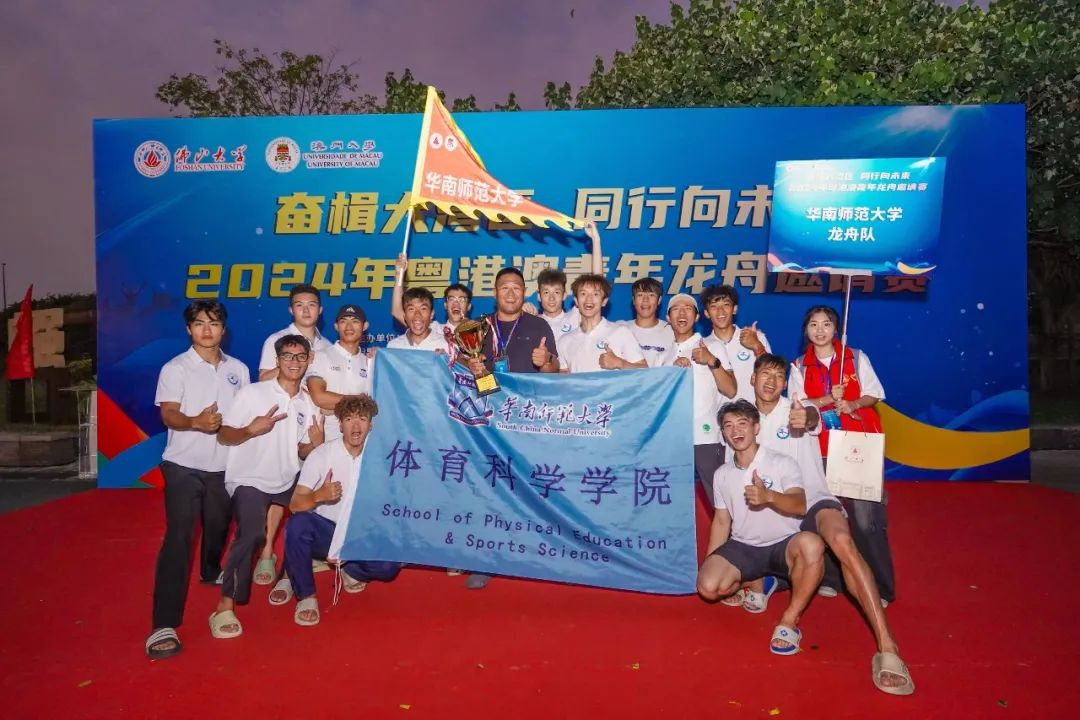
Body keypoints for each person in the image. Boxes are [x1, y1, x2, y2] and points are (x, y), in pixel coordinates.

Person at [749, 353, 914, 694]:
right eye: (764, 374)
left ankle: (888, 647)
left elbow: (810, 418)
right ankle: (785, 608)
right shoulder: (744, 420)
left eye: (778, 376)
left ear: (786, 383)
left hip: (814, 500)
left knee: (842, 542)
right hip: (775, 510)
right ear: (752, 379)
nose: (771, 381)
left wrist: (807, 415)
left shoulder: (800, 409)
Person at [145, 300, 250, 660]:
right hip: (183, 466)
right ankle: (163, 623)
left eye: (214, 323)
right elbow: (169, 414)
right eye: (200, 323)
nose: (207, 330)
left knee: (219, 526)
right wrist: (195, 422)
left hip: (224, 467)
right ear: (188, 329)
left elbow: (241, 419)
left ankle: (210, 570)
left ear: (224, 329)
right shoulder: (175, 368)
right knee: (179, 538)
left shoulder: (239, 369)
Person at [209, 335, 321, 639]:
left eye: (300, 356)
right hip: (250, 477)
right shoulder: (252, 393)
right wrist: (250, 429)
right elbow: (225, 435)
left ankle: (289, 577)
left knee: (312, 517)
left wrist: (314, 445)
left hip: (286, 477)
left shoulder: (307, 403)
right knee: (252, 533)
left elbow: (300, 451)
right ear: (277, 360)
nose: (294, 362)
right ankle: (224, 606)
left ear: (309, 361)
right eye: (288, 356)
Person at [787, 305, 898, 606]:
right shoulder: (799, 365)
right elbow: (798, 404)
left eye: (826, 324)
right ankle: (831, 579)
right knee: (828, 515)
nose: (820, 330)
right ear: (805, 330)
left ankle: (880, 586)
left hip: (857, 445)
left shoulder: (856, 357)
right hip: (820, 448)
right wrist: (826, 398)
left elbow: (875, 393)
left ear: (836, 329)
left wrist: (852, 403)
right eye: (813, 324)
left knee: (866, 520)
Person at [697, 400, 825, 655]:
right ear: (723, 433)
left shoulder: (782, 462)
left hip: (783, 544)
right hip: (745, 546)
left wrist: (769, 497)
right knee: (709, 588)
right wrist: (711, 561)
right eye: (728, 426)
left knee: (812, 544)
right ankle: (758, 581)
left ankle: (789, 621)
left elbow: (800, 505)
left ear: (756, 428)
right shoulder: (722, 473)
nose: (735, 431)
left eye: (742, 423)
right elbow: (721, 521)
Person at [459, 266, 559, 588]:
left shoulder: (538, 325)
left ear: (524, 292)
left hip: (529, 422)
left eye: (517, 287)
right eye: (505, 287)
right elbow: (467, 376)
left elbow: (554, 372)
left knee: (532, 490)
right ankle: (486, 558)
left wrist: (546, 361)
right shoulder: (476, 328)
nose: (511, 292)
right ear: (495, 292)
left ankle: (535, 554)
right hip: (490, 423)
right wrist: (475, 369)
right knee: (491, 491)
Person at [284, 394, 402, 626]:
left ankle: (352, 571)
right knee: (298, 524)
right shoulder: (322, 454)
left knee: (388, 567)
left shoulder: (383, 459)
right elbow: (295, 504)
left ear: (371, 425)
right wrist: (319, 495)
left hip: (360, 534)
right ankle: (306, 596)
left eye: (362, 419)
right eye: (349, 419)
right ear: (340, 425)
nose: (356, 426)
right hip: (327, 532)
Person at [254, 284, 333, 588]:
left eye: (311, 304)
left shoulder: (326, 345)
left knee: (309, 487)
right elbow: (263, 377)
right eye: (300, 305)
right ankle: (266, 552)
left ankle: (302, 555)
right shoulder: (276, 340)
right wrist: (296, 362)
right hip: (283, 421)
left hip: (314, 421)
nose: (306, 310)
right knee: (279, 492)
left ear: (320, 310)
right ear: (291, 309)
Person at [659, 293, 736, 502]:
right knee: (672, 503)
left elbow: (731, 390)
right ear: (668, 317)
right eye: (676, 309)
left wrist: (711, 360)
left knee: (720, 502)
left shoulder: (712, 346)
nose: (682, 313)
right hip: (672, 442)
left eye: (688, 309)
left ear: (697, 316)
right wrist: (671, 375)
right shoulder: (662, 357)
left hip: (705, 438)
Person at [307, 304, 373, 443]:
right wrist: (360, 401)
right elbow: (319, 397)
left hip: (360, 442)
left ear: (365, 326)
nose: (349, 327)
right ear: (336, 326)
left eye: (355, 321)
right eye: (343, 321)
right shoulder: (320, 356)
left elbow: (373, 405)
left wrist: (335, 407)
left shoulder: (369, 363)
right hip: (326, 439)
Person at [556, 273, 647, 373]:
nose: (589, 299)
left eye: (595, 294)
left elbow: (645, 370)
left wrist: (620, 363)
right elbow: (564, 378)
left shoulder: (620, 332)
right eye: (583, 294)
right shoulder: (564, 341)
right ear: (576, 301)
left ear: (604, 301)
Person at [530, 220, 604, 340]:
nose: (552, 298)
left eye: (557, 292)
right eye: (546, 292)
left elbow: (598, 284)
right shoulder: (532, 321)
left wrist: (596, 240)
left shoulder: (576, 316)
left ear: (564, 295)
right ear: (539, 296)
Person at [701, 284, 770, 403]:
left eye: (726, 305)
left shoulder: (756, 337)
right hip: (719, 414)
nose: (720, 311)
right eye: (714, 306)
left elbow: (772, 374)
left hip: (753, 412)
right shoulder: (702, 347)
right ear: (706, 313)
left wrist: (757, 346)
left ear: (735, 309)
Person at [391, 253, 473, 332]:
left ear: (469, 306)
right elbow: (397, 312)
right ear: (445, 305)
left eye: (461, 299)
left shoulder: (478, 332)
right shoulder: (432, 330)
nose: (456, 303)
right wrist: (399, 275)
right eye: (451, 299)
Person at [619, 277, 675, 367]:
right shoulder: (620, 328)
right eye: (640, 295)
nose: (645, 300)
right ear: (633, 300)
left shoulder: (672, 331)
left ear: (659, 300)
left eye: (651, 295)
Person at [387, 287, 450, 352]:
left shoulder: (446, 346)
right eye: (411, 309)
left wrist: (445, 357)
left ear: (432, 314)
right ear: (404, 315)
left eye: (423, 309)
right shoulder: (393, 347)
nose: (417, 314)